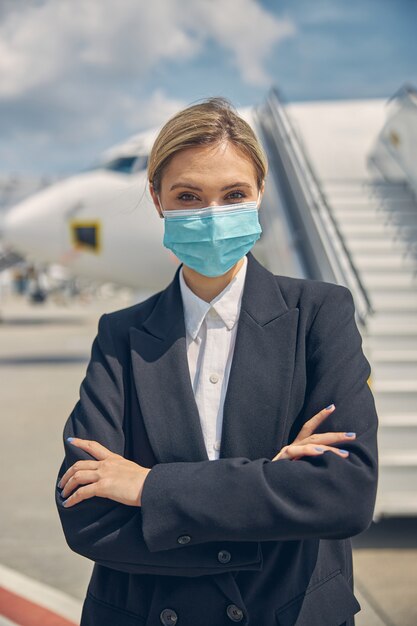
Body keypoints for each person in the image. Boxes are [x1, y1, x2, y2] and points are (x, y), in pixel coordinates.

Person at [55, 97, 378, 626]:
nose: (210, 215)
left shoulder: (320, 313)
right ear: (158, 200)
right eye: (187, 195)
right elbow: (86, 516)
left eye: (233, 194)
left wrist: (149, 489)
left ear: (259, 196)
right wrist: (271, 489)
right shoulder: (119, 335)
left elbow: (344, 497)